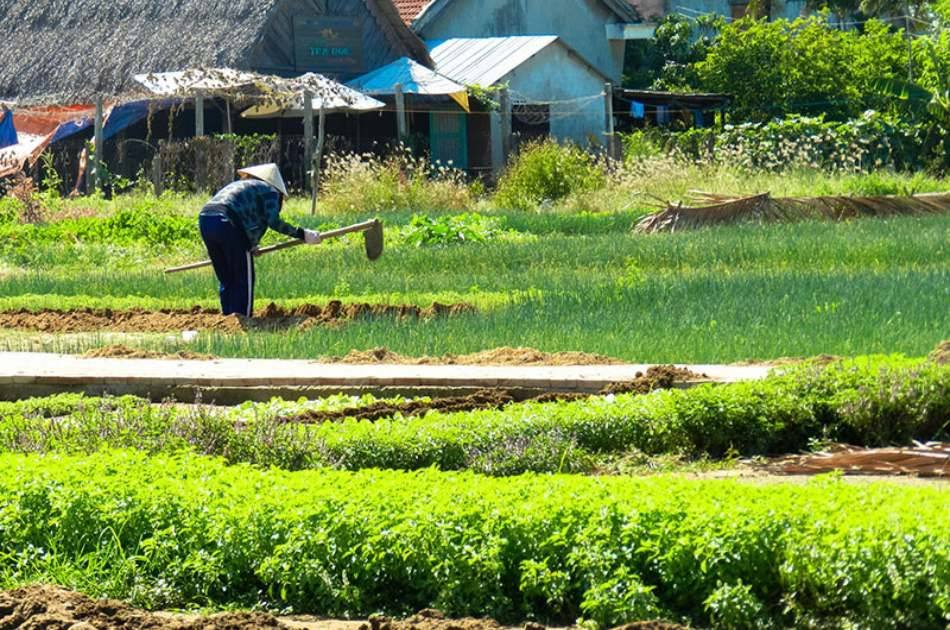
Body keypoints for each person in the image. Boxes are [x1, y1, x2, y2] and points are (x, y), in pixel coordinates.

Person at [199, 163, 321, 316]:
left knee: (227, 277)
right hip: (228, 222)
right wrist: (302, 234)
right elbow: (273, 221)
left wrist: (249, 245)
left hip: (205, 219)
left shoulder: (240, 186)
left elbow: (248, 219)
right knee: (243, 277)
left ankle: (228, 318)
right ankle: (243, 316)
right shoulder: (269, 190)